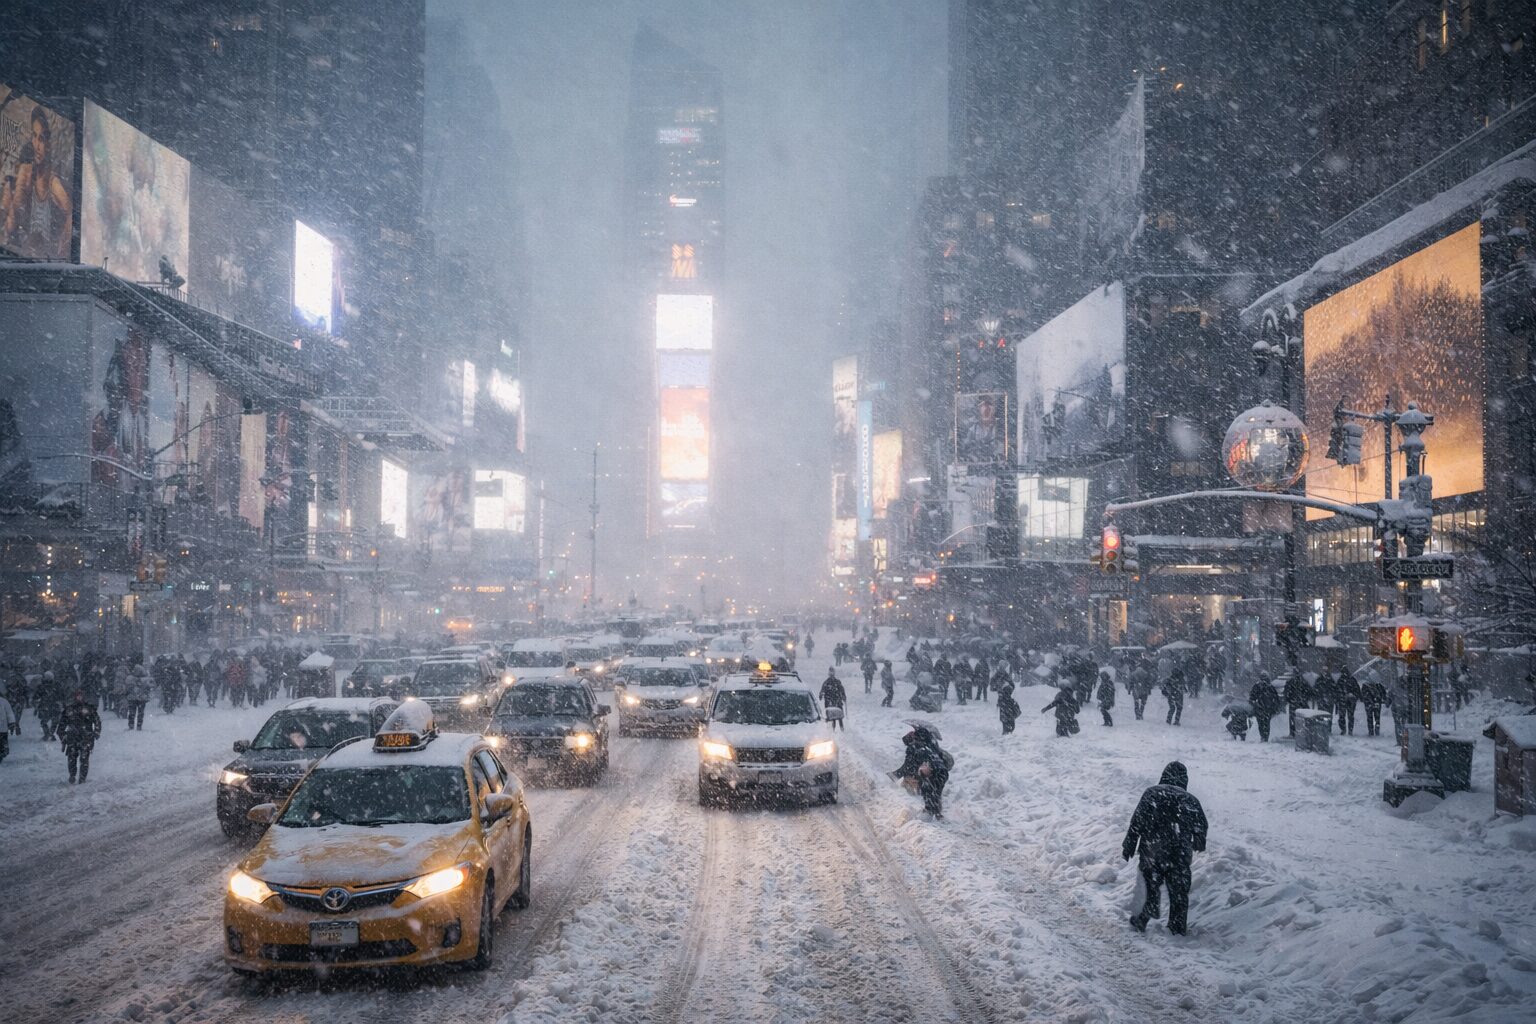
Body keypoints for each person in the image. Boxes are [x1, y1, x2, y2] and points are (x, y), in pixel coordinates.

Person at [1122, 761, 1209, 936]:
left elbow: (1137, 822)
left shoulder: (1152, 793)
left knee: (1149, 884)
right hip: (1179, 853)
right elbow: (1202, 825)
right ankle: (1177, 927)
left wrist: (1129, 845)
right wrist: (1198, 842)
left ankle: (1144, 914)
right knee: (1179, 892)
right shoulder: (1191, 800)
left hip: (1152, 850)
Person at [892, 724, 951, 819]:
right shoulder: (931, 746)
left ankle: (929, 816)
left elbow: (907, 767)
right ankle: (937, 815)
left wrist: (894, 776)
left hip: (933, 771)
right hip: (943, 772)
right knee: (935, 793)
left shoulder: (913, 748)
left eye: (912, 734)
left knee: (927, 790)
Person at [58, 690, 102, 784]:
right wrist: (64, 736)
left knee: (84, 759)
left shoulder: (89, 709)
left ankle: (82, 778)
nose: (79, 698)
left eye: (81, 696)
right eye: (77, 696)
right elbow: (61, 726)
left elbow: (97, 720)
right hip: (72, 738)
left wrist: (96, 732)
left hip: (86, 738)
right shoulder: (69, 710)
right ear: (75, 697)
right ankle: (72, 775)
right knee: (72, 758)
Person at [1249, 677, 1283, 742]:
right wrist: (1275, 708)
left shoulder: (1256, 686)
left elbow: (1251, 698)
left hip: (1259, 709)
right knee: (1266, 724)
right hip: (1268, 710)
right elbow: (1276, 699)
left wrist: (1255, 704)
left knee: (1260, 724)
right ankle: (1266, 737)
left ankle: (1262, 736)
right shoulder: (1270, 687)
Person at [1284, 671, 1314, 737]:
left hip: (1293, 704)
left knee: (1293, 719)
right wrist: (1305, 699)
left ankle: (1293, 733)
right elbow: (1310, 692)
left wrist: (1289, 700)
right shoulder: (1304, 682)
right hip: (1302, 703)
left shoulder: (1290, 682)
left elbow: (1286, 693)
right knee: (1303, 718)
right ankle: (1303, 732)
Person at [126, 661, 151, 730]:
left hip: (132, 698)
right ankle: (139, 726)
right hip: (142, 698)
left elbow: (127, 688)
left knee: (131, 712)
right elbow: (148, 688)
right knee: (140, 713)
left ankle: (131, 725)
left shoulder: (129, 678)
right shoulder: (145, 680)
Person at [1336, 666, 1361, 736]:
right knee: (1349, 717)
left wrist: (1351, 695)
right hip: (1347, 701)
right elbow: (1357, 691)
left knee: (1344, 717)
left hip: (1346, 701)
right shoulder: (1351, 680)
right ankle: (1348, 730)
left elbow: (1337, 691)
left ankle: (1344, 730)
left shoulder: (1341, 680)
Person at [0, 689, 14, 762]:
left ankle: (3, 752)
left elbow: (9, 713)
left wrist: (11, 723)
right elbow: (10, 714)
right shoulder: (4, 701)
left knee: (3, 743)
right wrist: (11, 723)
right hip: (3, 728)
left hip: (2, 728)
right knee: (3, 742)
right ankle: (3, 751)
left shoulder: (4, 702)